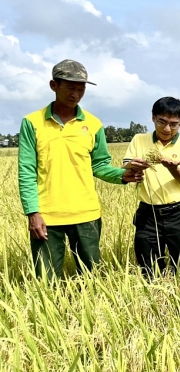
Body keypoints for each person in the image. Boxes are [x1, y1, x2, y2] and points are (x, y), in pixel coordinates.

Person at [17, 59, 142, 279]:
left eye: (81, 88)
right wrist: (32, 212)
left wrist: (124, 174)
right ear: (54, 85)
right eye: (70, 87)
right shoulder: (32, 122)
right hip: (47, 215)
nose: (76, 93)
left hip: (86, 214)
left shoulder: (93, 124)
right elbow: (26, 170)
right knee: (45, 280)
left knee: (92, 277)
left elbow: (100, 165)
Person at [122, 97, 180, 275]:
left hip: (179, 213)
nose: (166, 129)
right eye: (161, 122)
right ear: (153, 118)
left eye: (174, 124)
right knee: (148, 266)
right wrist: (134, 165)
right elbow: (126, 167)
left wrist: (173, 169)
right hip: (147, 213)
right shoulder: (139, 139)